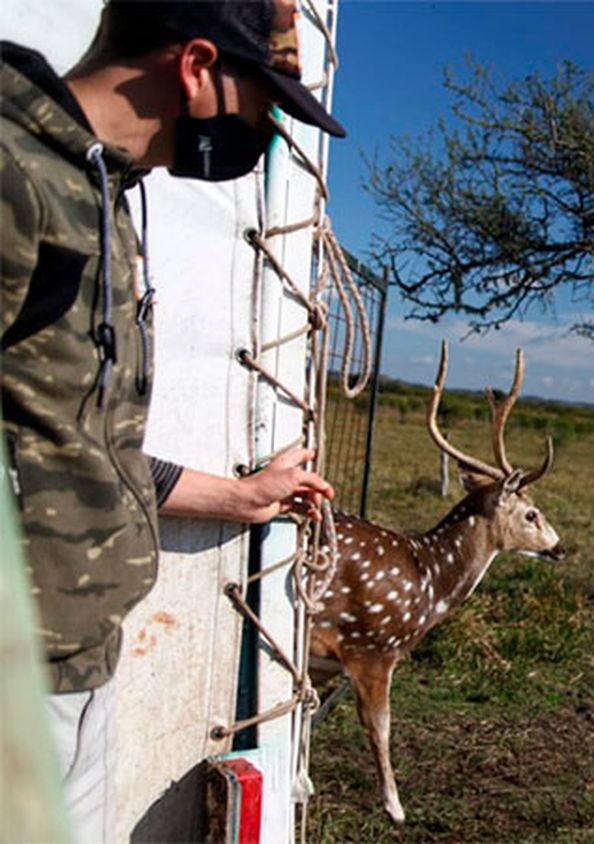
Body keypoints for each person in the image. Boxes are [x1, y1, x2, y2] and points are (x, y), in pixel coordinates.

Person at [1, 1, 346, 838]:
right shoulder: (14, 179)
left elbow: (71, 447)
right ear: (195, 68)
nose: (263, 131)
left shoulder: (102, 193)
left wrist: (240, 497)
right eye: (261, 104)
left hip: (76, 667)